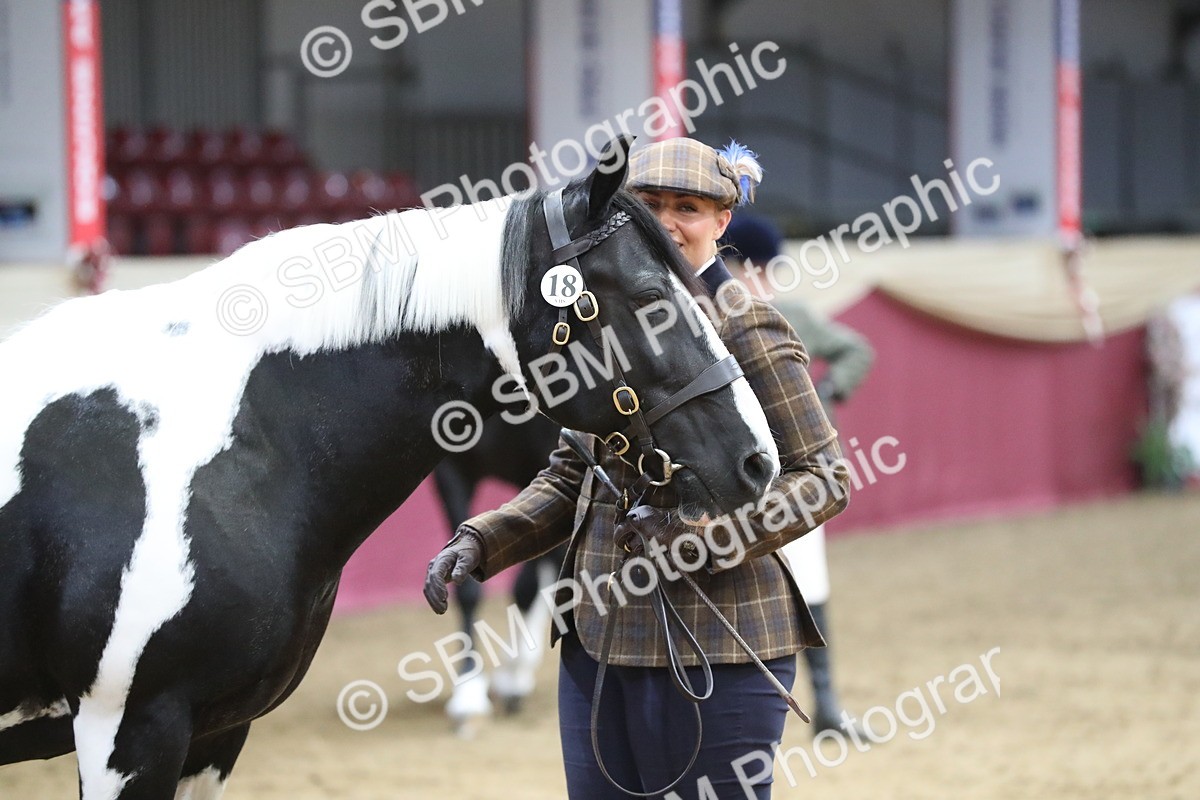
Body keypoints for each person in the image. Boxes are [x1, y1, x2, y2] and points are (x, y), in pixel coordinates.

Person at [425, 138, 849, 799]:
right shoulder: (608, 332)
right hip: (598, 644)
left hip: (724, 641)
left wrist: (703, 542)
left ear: (722, 223)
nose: (669, 221)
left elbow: (823, 479)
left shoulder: (750, 327)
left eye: (689, 207)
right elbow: (572, 476)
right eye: (649, 205)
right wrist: (483, 539)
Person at [723, 212, 875, 735]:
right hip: (727, 482)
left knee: (810, 582)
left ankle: (827, 705)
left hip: (790, 476)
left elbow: (858, 348)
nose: (754, 280)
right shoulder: (700, 327)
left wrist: (827, 392)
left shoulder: (792, 316)